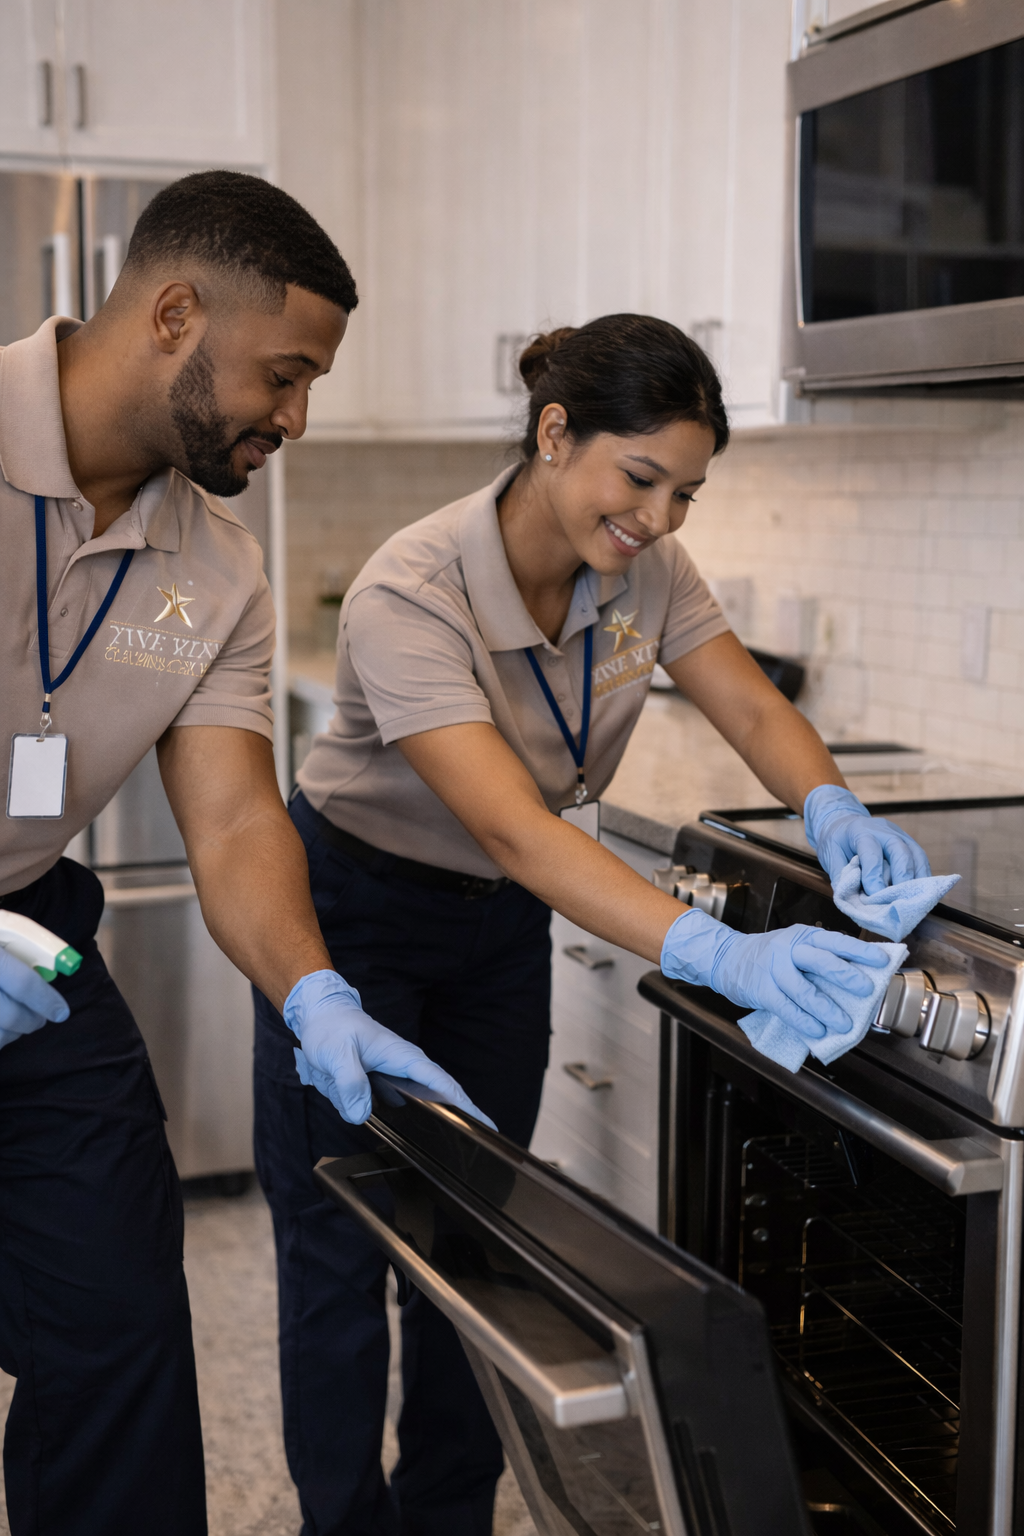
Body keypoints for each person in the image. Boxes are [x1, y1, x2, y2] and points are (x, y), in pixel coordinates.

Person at [254, 314, 931, 1535]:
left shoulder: (647, 571)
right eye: (642, 478)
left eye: (687, 492)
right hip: (355, 914)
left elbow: (749, 703)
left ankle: (447, 1515)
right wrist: (718, 950)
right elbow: (515, 825)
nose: (662, 519)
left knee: (478, 1245)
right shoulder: (411, 589)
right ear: (554, 433)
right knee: (338, 1244)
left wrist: (830, 800)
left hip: (497, 934)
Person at [0, 169, 482, 1536]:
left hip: (29, 944)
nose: (298, 417)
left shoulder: (216, 567)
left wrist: (314, 989)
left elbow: (231, 819)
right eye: (284, 374)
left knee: (121, 1326)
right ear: (171, 315)